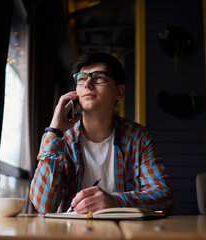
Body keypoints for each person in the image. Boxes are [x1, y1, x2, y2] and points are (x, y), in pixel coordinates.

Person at [29, 52, 174, 214]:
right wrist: (53, 131)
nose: (87, 84)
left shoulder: (137, 136)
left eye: (99, 78)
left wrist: (115, 201)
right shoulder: (62, 140)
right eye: (82, 78)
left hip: (123, 232)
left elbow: (164, 197)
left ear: (119, 92)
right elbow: (43, 205)